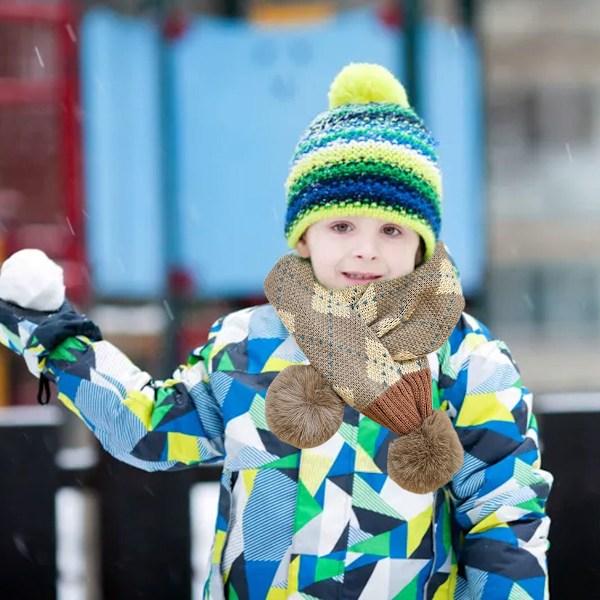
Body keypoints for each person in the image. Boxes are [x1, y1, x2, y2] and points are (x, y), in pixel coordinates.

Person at [0, 63, 551, 599]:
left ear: (422, 243)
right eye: (341, 225)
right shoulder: (249, 345)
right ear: (304, 237)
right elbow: (150, 428)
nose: (365, 248)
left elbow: (504, 517)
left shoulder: (466, 360)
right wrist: (55, 338)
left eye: (391, 229)